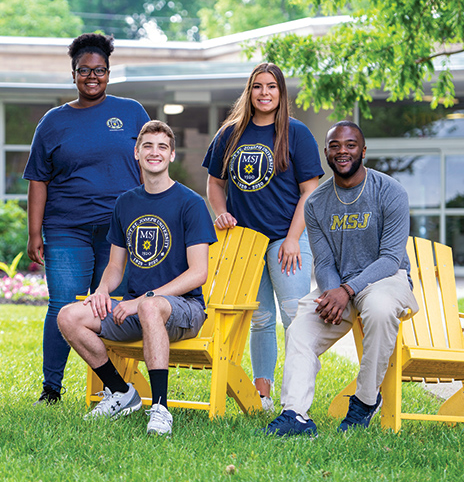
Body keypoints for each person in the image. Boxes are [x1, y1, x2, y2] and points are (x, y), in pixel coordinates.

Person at [57, 120, 216, 435]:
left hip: (183, 310)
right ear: (136, 153)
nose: (154, 153)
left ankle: (160, 407)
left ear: (171, 155)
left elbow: (198, 272)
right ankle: (120, 392)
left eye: (162, 147)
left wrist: (145, 299)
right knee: (68, 316)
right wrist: (102, 290)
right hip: (136, 309)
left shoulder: (191, 203)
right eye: (148, 146)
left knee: (148, 307)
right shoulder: (126, 203)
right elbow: (116, 267)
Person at [265, 121, 419, 436]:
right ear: (326, 153)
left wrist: (346, 290)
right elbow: (323, 261)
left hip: (386, 279)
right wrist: (333, 290)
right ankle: (295, 414)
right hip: (339, 285)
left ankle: (364, 401)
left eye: (350, 145)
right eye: (335, 146)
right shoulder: (317, 202)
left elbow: (390, 258)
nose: (342, 151)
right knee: (301, 326)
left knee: (377, 309)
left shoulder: (390, 191)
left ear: (363, 151)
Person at [23, 33, 150, 405]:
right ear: (73, 73)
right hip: (66, 229)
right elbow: (38, 180)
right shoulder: (52, 122)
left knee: (114, 306)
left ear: (109, 73)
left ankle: (116, 387)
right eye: (85, 70)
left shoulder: (132, 112)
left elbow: (149, 169)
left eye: (100, 71)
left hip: (120, 232)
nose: (93, 77)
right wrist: (35, 233)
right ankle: (51, 389)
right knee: (62, 305)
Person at [202, 62, 323, 411]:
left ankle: (297, 396)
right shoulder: (230, 134)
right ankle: (263, 395)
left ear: (281, 93)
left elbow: (309, 191)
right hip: (244, 244)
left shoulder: (296, 133)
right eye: (257, 86)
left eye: (271, 86)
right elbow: (214, 183)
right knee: (261, 319)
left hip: (288, 240)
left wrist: (291, 238)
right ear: (249, 91)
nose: (264, 93)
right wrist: (221, 212)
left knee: (294, 318)